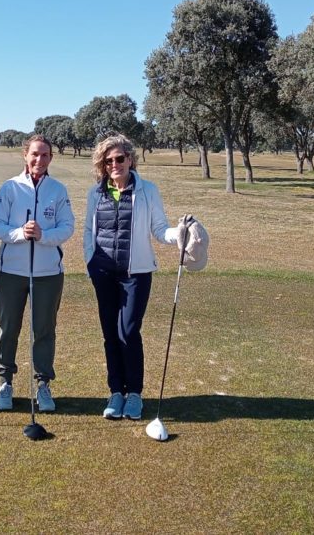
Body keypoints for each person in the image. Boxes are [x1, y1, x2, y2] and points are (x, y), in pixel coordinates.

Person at [83, 133, 186, 421]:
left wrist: (178, 235)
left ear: (130, 159)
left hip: (136, 274)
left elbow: (160, 228)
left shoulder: (147, 190)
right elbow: (88, 232)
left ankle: (135, 394)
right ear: (102, 165)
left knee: (127, 331)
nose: (115, 164)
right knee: (109, 334)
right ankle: (116, 392)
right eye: (108, 160)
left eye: (120, 158)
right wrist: (90, 262)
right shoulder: (96, 193)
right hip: (103, 272)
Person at [0, 134, 75, 412]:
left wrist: (42, 235)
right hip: (11, 271)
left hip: (48, 273)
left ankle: (43, 385)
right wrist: (18, 233)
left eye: (45, 155)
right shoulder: (10, 187)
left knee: (44, 330)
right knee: (8, 328)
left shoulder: (58, 190)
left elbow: (67, 228)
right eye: (35, 154)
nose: (40, 160)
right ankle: (5, 382)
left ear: (51, 158)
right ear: (25, 155)